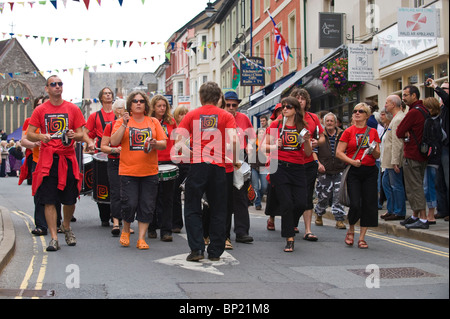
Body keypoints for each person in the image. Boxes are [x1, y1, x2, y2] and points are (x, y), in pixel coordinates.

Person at [27, 75, 95, 251]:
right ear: (47, 89)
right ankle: (54, 238)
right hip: (48, 160)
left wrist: (76, 135)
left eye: (60, 84)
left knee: (70, 200)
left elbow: (82, 134)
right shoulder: (40, 110)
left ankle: (66, 225)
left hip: (68, 158)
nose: (57, 86)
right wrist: (41, 136)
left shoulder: (72, 108)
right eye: (53, 84)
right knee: (49, 200)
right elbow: (29, 134)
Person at [175, 81, 239, 262]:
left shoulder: (192, 115)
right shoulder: (226, 116)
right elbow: (234, 141)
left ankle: (196, 249)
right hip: (218, 166)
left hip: (198, 165)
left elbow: (178, 143)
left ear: (201, 97)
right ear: (219, 98)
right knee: (219, 209)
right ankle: (215, 251)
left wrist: (192, 153)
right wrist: (234, 161)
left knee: (192, 207)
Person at [111, 91, 167, 250]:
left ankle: (141, 238)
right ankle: (126, 230)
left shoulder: (153, 121)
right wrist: (124, 124)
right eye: (135, 101)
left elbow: (163, 143)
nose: (138, 103)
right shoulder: (122, 121)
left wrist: (155, 143)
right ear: (130, 104)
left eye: (141, 101)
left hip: (149, 171)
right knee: (129, 203)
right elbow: (114, 141)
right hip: (129, 170)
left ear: (145, 104)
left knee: (147, 205)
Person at [264, 96, 312, 252]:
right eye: (283, 106)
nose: (285, 109)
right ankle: (289, 238)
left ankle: (291, 223)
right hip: (280, 167)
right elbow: (263, 147)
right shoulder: (275, 125)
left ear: (296, 110)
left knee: (301, 203)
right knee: (286, 203)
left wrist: (306, 141)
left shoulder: (303, 127)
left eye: (289, 106)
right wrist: (274, 145)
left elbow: (307, 153)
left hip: (298, 168)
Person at [336, 103, 381, 249]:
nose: (356, 113)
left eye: (360, 111)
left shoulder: (372, 132)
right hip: (354, 171)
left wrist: (373, 150)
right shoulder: (348, 131)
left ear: (367, 115)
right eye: (355, 111)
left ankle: (362, 238)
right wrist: (352, 161)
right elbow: (339, 152)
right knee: (355, 203)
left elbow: (377, 154)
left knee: (368, 204)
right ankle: (351, 228)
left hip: (369, 170)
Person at [290, 88, 323, 241]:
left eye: (303, 98)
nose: (300, 100)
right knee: (295, 197)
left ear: (306, 101)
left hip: (309, 162)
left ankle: (308, 230)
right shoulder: (288, 118)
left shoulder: (313, 118)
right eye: (297, 98)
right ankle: (292, 222)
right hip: (292, 162)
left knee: (307, 195)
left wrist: (317, 142)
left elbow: (322, 137)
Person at [223, 90, 256, 244]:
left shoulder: (243, 118)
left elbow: (252, 137)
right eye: (227, 104)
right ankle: (224, 232)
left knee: (241, 196)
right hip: (222, 158)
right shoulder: (219, 118)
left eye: (234, 105)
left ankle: (242, 232)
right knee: (224, 197)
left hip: (240, 158)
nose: (230, 107)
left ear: (237, 105)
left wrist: (249, 147)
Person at [396, 85, 429, 229]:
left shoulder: (413, 112)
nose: (403, 98)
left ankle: (423, 219)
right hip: (422, 153)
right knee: (416, 184)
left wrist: (406, 132)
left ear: (414, 96)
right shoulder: (424, 110)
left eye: (405, 95)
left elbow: (399, 131)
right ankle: (415, 215)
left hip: (412, 154)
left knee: (414, 187)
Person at [85, 87, 117, 227]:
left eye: (110, 93)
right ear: (101, 97)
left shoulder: (119, 116)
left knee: (116, 185)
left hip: (116, 153)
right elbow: (86, 133)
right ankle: (104, 216)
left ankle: (116, 215)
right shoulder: (95, 116)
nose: (108, 95)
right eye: (105, 93)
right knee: (101, 184)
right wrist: (90, 143)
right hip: (100, 153)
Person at [148, 95, 177, 242]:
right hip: (153, 161)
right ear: (153, 107)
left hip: (169, 161)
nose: (162, 108)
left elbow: (178, 139)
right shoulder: (149, 121)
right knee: (152, 196)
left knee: (167, 198)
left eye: (164, 106)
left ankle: (166, 230)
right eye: (159, 106)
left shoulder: (171, 122)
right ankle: (151, 227)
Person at [315, 112, 347, 229]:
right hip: (324, 170)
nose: (329, 123)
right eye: (327, 121)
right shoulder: (320, 135)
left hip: (339, 170)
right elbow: (314, 151)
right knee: (323, 196)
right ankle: (319, 214)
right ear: (324, 122)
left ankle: (339, 219)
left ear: (335, 122)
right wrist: (318, 164)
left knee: (338, 196)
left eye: (331, 121)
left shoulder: (343, 134)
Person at [100, 98, 126, 237]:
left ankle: (126, 223)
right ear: (116, 111)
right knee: (116, 192)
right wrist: (115, 150)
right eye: (121, 108)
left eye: (126, 108)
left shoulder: (132, 125)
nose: (124, 111)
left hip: (129, 162)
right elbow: (103, 146)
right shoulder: (110, 126)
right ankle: (116, 222)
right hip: (114, 162)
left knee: (127, 193)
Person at [426, 79, 449, 222]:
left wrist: (435, 86)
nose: (443, 91)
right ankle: (442, 210)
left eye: (446, 89)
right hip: (440, 148)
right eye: (443, 89)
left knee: (448, 180)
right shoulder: (442, 109)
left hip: (447, 147)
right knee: (439, 181)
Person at [381, 95, 407, 221]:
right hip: (387, 160)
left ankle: (399, 211)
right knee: (386, 184)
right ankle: (391, 209)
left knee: (396, 185)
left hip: (393, 160)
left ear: (393, 104)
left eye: (387, 103)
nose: (385, 105)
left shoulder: (398, 119)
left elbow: (397, 142)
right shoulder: (394, 119)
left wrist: (396, 161)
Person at [422, 97, 442, 224]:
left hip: (431, 158)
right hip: (434, 157)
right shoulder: (437, 120)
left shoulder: (431, 122)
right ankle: (431, 212)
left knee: (429, 186)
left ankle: (431, 214)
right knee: (429, 185)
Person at [172, 105, 190, 233]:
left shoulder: (191, 130)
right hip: (177, 163)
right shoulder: (175, 129)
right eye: (180, 114)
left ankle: (191, 223)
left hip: (189, 164)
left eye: (185, 114)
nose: (183, 116)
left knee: (190, 194)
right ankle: (176, 223)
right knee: (175, 194)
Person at [249, 128, 268, 211]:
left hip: (264, 167)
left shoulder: (267, 144)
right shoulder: (254, 143)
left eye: (263, 132)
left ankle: (257, 197)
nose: (261, 134)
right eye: (260, 132)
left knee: (265, 187)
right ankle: (258, 204)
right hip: (254, 167)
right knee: (255, 187)